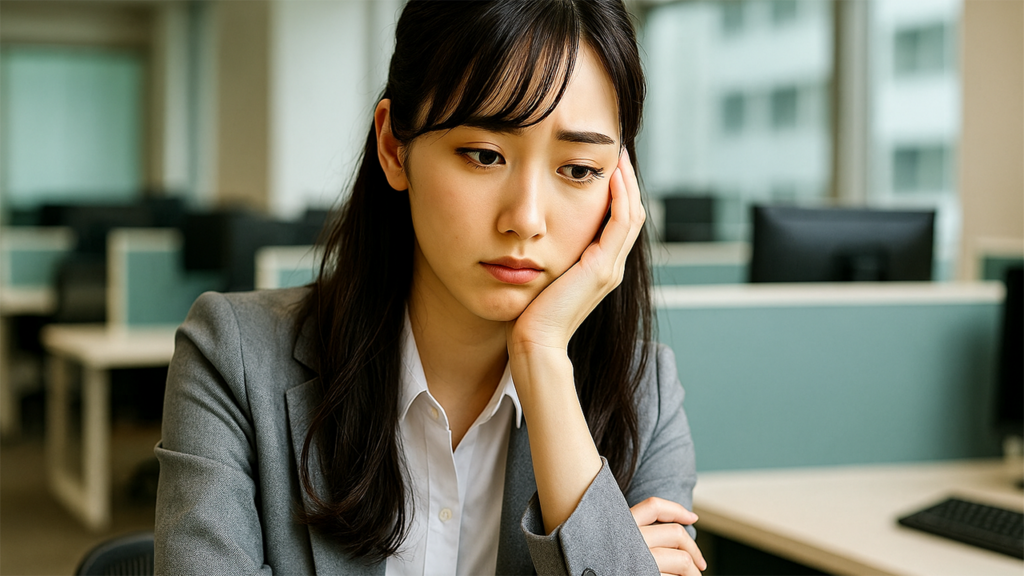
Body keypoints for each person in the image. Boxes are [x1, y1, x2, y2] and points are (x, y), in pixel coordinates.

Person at [154, 0, 702, 574]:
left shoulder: (645, 397)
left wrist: (541, 357)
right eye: (484, 155)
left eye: (579, 170)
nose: (526, 219)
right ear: (395, 148)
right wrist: (609, 552)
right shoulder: (233, 359)